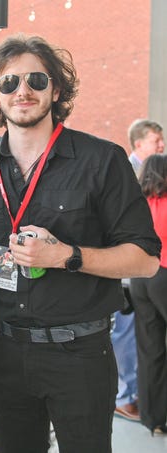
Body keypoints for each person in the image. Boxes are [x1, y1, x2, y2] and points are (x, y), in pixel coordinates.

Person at [0, 34, 161, 453]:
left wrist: (66, 256)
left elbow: (144, 260)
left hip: (81, 354)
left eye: (37, 79)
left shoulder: (101, 160)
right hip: (3, 351)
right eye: (9, 83)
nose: (23, 91)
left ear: (56, 89)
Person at [111, 119, 164, 422]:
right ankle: (124, 397)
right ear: (139, 143)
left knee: (138, 336)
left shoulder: (150, 174)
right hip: (128, 272)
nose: (161, 145)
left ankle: (138, 397)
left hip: (141, 273)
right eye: (156, 140)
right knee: (126, 334)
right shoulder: (130, 174)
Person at [130, 153, 167, 435]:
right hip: (164, 274)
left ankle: (153, 419)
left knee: (149, 349)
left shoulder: (138, 204)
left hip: (140, 279)